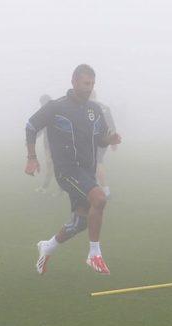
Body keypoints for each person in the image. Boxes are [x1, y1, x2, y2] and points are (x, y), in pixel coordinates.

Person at [25, 64, 122, 275]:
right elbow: (31, 126)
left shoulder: (94, 110)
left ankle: (47, 246)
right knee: (100, 199)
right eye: (86, 83)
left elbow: (101, 139)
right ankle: (94, 255)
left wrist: (110, 138)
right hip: (66, 170)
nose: (89, 88)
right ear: (74, 81)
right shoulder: (55, 107)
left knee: (80, 222)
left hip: (87, 171)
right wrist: (32, 157)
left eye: (93, 84)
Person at [90, 90, 117, 198]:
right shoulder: (105, 107)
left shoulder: (88, 106)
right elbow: (111, 124)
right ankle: (95, 187)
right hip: (105, 138)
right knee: (96, 162)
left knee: (97, 162)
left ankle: (105, 189)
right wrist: (113, 141)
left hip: (94, 139)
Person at [34, 94, 57, 194]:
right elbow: (40, 128)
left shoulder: (54, 113)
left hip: (56, 144)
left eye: (42, 103)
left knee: (53, 166)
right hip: (49, 144)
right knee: (52, 166)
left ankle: (45, 187)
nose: (42, 105)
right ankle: (49, 187)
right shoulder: (46, 113)